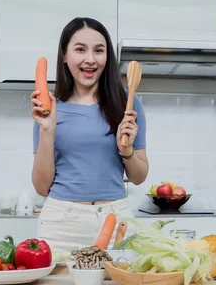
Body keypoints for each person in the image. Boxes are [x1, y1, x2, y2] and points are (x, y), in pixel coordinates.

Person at [29, 17, 149, 252]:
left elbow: (138, 177)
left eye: (99, 50)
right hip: (60, 226)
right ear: (65, 55)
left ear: (108, 57)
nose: (90, 60)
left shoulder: (128, 104)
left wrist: (127, 151)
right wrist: (47, 129)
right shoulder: (49, 108)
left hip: (116, 221)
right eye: (80, 50)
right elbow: (42, 187)